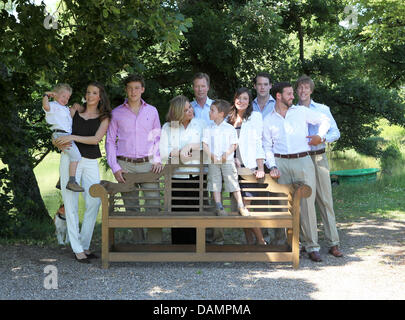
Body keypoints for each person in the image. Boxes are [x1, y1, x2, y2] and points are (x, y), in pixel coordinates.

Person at [262, 82, 331, 262]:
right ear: (278, 96)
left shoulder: (300, 112)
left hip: (302, 161)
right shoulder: (268, 120)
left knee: (307, 204)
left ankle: (312, 247)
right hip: (280, 163)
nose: (293, 96)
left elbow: (325, 119)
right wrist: (272, 166)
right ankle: (293, 245)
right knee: (285, 206)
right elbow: (267, 147)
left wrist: (321, 137)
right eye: (289, 94)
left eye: (293, 93)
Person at [53, 81, 111, 263]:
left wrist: (72, 137)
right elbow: (60, 125)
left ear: (100, 96)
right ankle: (77, 249)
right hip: (70, 160)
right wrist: (57, 140)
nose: (90, 95)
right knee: (70, 204)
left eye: (94, 93)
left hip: (91, 161)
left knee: (94, 201)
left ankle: (84, 245)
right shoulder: (74, 111)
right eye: (88, 92)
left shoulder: (104, 117)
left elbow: (96, 139)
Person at [105, 74, 163, 243]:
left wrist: (157, 159)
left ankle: (155, 245)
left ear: (142, 89)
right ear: (126, 90)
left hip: (148, 164)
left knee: (153, 204)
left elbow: (157, 137)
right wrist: (115, 167)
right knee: (131, 207)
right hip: (126, 165)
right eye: (130, 88)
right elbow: (109, 141)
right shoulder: (116, 113)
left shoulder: (152, 111)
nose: (133, 91)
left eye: (137, 87)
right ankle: (139, 244)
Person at [296, 75, 343, 257]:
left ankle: (333, 243)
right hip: (301, 159)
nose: (303, 91)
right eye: (300, 88)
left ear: (311, 90)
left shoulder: (322, 109)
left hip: (319, 157)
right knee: (305, 202)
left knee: (325, 200)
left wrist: (321, 138)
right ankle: (309, 244)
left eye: (306, 88)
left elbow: (336, 132)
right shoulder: (293, 111)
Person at [160, 95, 207, 244]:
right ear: (178, 112)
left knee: (195, 212)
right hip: (176, 176)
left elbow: (205, 145)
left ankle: (196, 247)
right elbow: (163, 151)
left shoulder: (200, 124)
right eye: (186, 110)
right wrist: (180, 152)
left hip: (197, 176)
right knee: (178, 213)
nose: (190, 111)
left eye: (190, 108)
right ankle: (179, 248)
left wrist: (191, 147)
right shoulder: (168, 127)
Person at [227, 88, 267, 245]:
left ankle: (261, 241)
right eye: (238, 98)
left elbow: (258, 143)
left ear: (249, 101)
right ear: (234, 99)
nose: (241, 101)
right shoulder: (229, 119)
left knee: (245, 208)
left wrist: (260, 167)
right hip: (232, 170)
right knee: (239, 209)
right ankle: (250, 243)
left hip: (248, 168)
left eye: (244, 98)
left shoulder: (255, 117)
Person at [202, 99, 250, 218]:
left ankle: (240, 205)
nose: (209, 112)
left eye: (212, 110)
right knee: (215, 182)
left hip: (227, 161)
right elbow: (205, 144)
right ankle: (219, 206)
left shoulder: (229, 128)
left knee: (233, 182)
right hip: (213, 162)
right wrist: (211, 155)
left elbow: (234, 144)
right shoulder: (208, 128)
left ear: (221, 114)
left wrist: (226, 154)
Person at [42, 83, 84, 192]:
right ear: (55, 95)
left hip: (66, 135)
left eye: (68, 97)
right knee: (76, 156)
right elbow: (46, 106)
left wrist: (75, 107)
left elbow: (70, 117)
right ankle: (71, 182)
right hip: (60, 134)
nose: (66, 99)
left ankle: (62, 179)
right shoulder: (53, 105)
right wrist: (46, 95)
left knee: (70, 156)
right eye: (63, 96)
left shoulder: (65, 108)